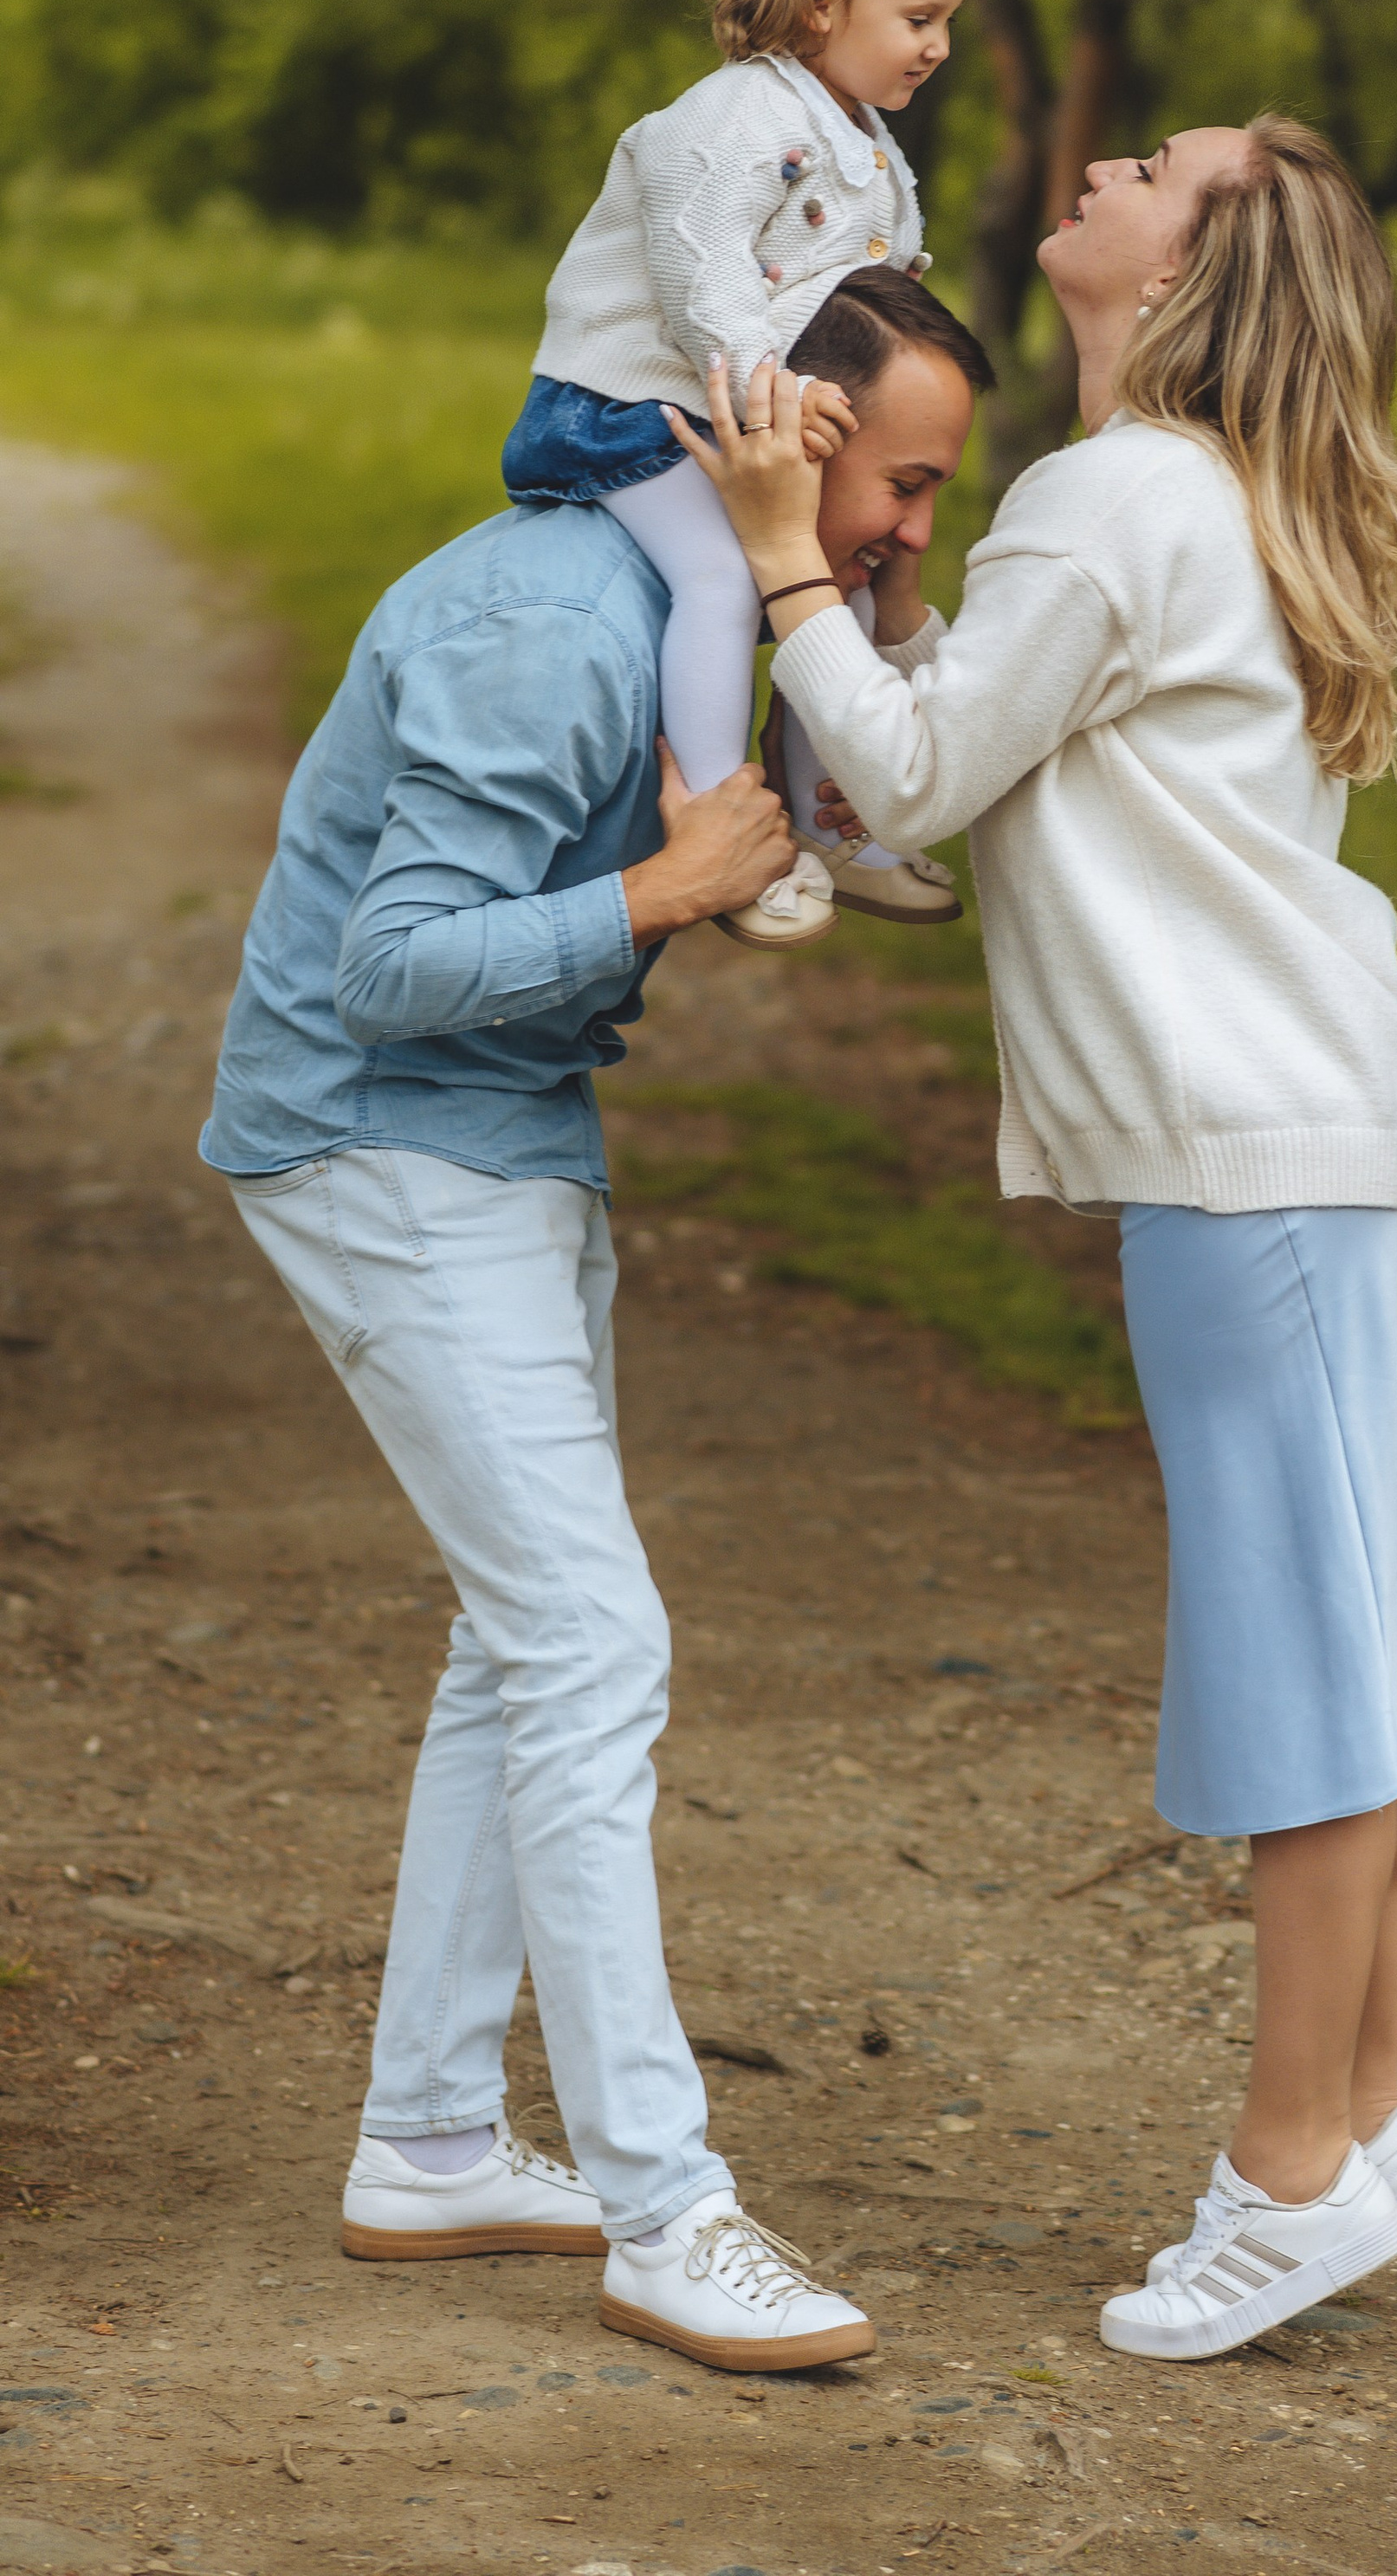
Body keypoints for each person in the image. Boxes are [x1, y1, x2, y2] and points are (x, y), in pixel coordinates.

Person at [683, 113, 1397, 2364]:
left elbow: (912, 792)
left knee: (1307, 1694)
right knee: (1386, 1668)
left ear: (1195, 265)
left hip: (1251, 1169)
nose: (1106, 160)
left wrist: (784, 563)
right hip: (1342, 1142)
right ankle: (1368, 2114)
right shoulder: (1217, 498)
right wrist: (884, 631)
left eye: (1159, 164)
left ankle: (1289, 2174)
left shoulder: (1115, 491)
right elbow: (964, 766)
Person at [200, 273, 990, 2372]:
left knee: (518, 1633)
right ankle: (665, 2206)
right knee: (588, 1639)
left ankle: (434, 2141)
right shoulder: (550, 624)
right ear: (789, 434)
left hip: (507, 1129)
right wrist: (652, 896)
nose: (917, 528)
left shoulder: (698, 613)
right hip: (379, 1136)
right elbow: (387, 969)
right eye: (904, 481)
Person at [501, 0, 974, 948]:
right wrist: (771, 385)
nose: (940, 46)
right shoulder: (732, 123)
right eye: (920, 19)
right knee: (724, 575)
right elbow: (699, 276)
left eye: (947, 20)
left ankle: (832, 825)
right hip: (626, 411)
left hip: (741, 410)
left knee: (836, 590)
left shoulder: (857, 136)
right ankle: (721, 828)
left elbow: (867, 287)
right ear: (821, 5)